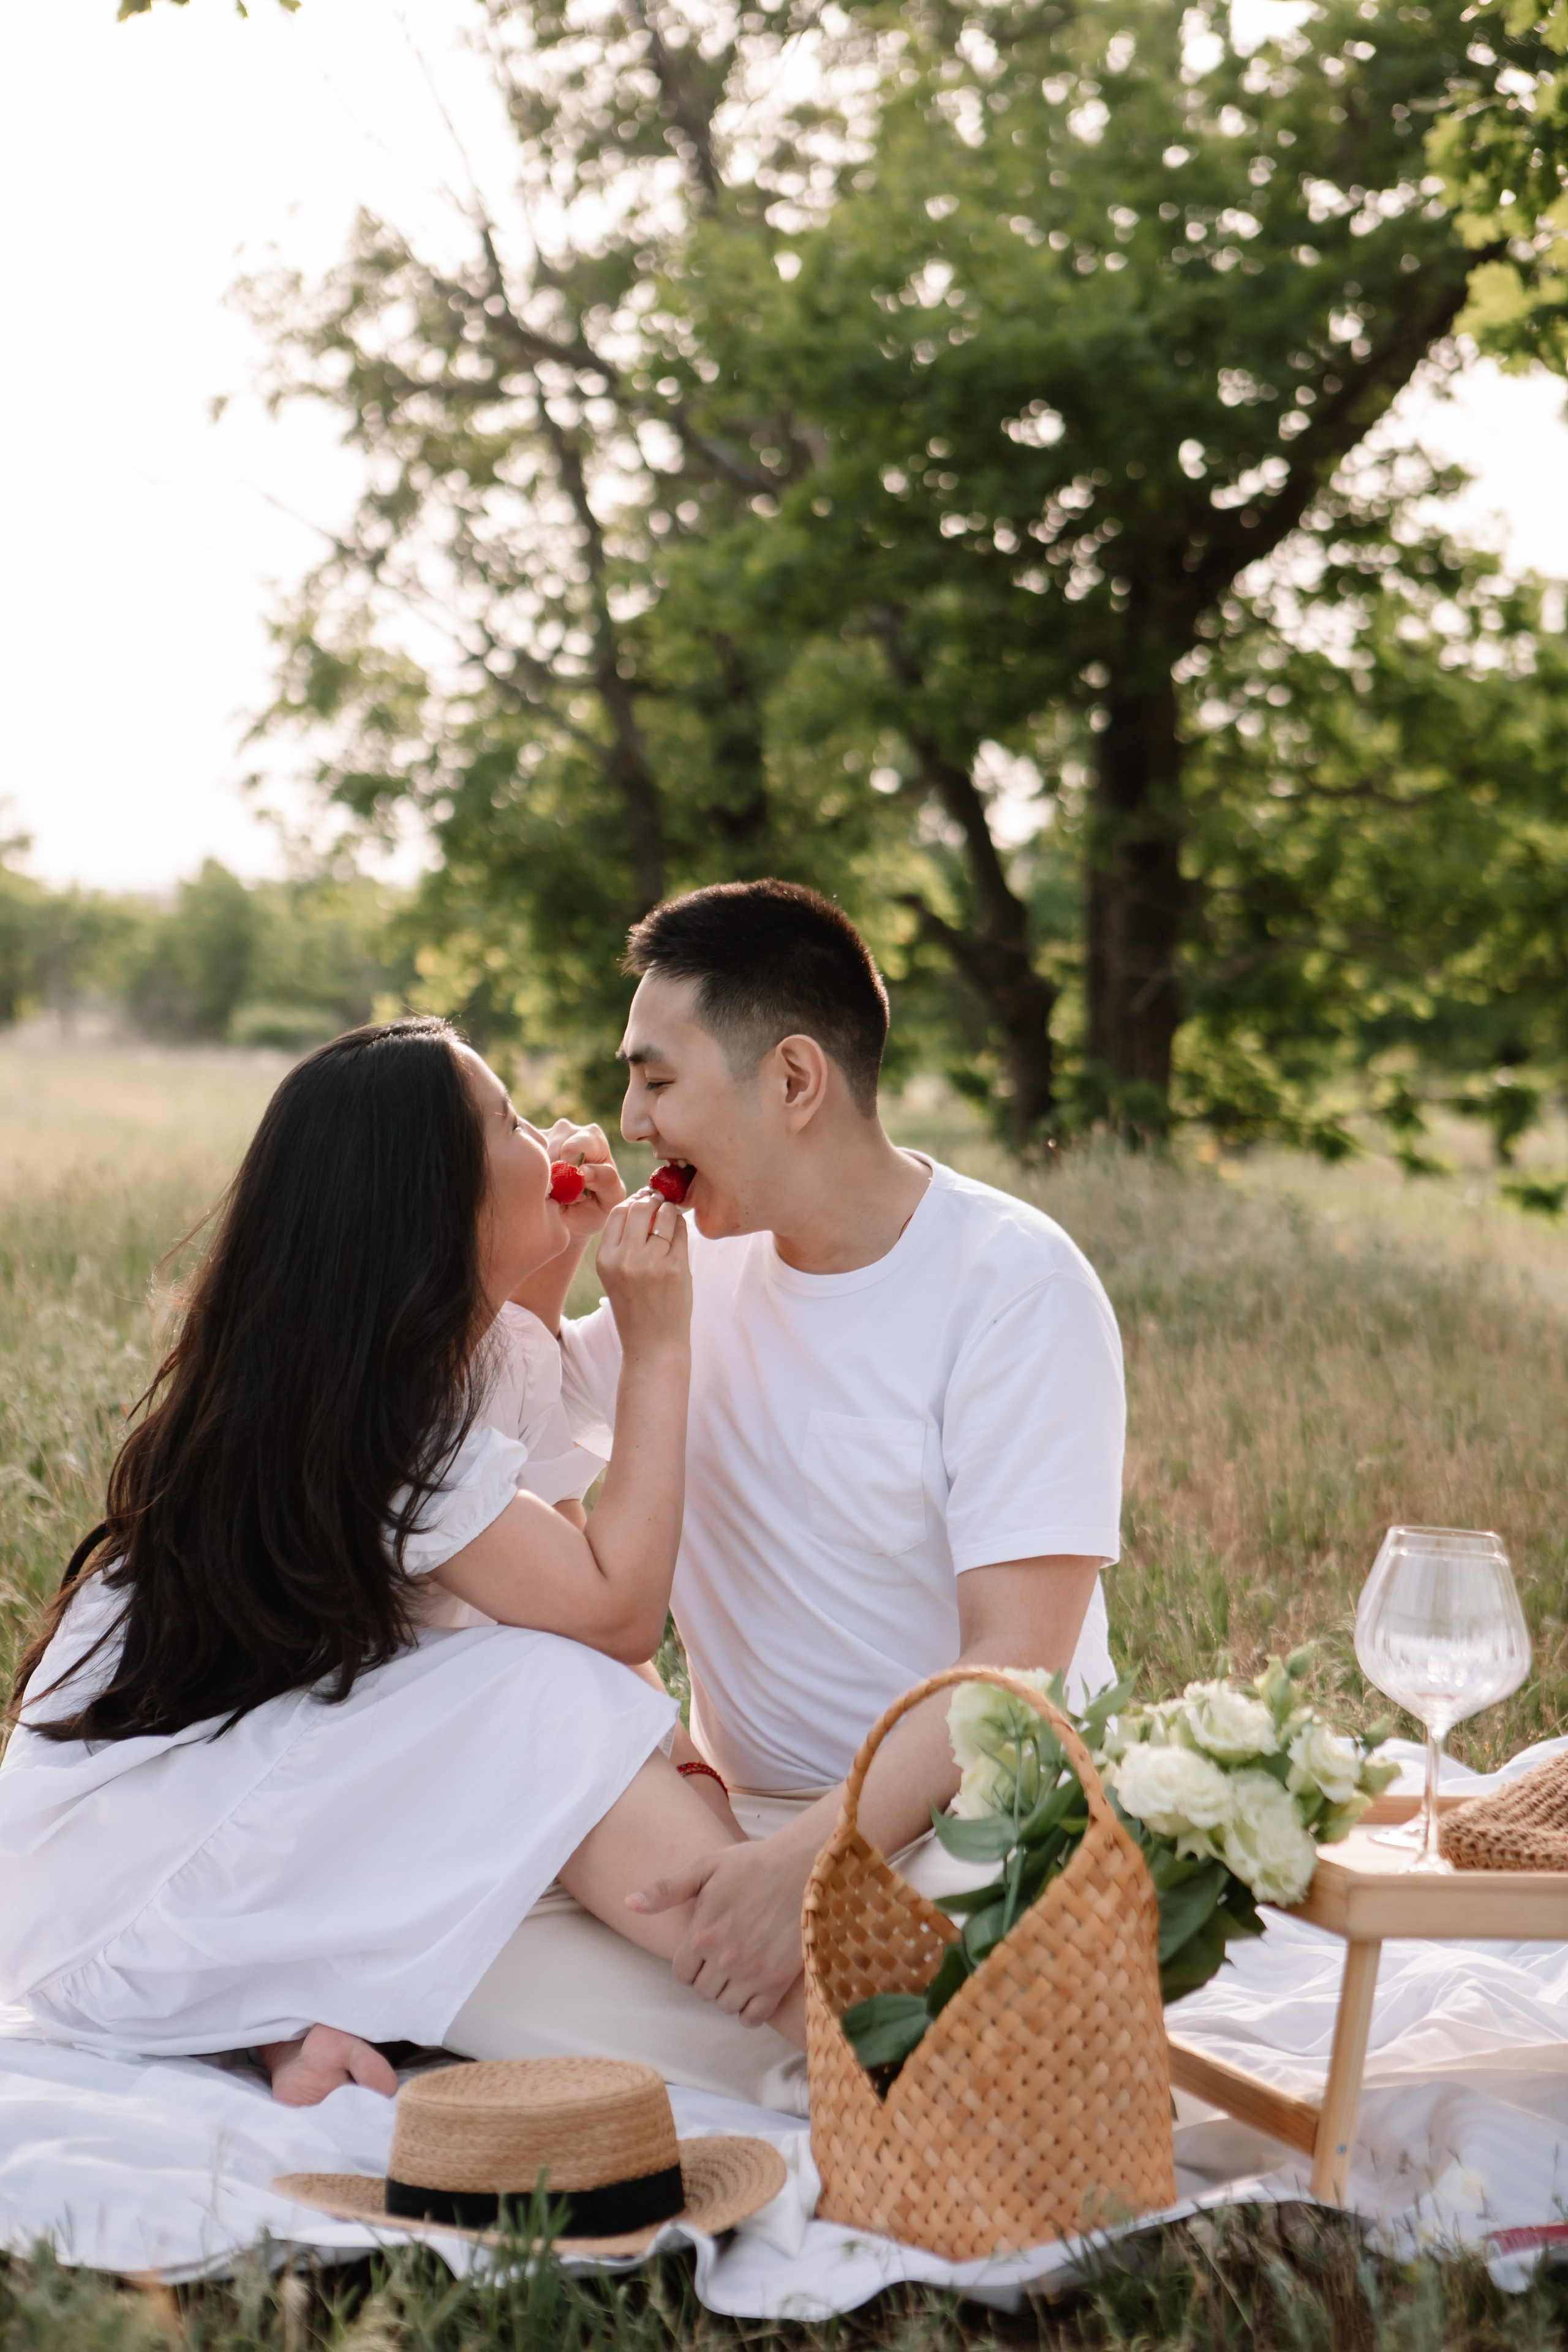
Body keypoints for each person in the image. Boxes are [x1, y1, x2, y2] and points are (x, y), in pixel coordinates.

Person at [0, 1018, 804, 2106]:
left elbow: (546, 1554)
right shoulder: (385, 1427)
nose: (553, 1136)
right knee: (540, 1696)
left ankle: (284, 2021)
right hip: (133, 1871)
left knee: (545, 1690)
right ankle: (830, 2005)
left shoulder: (401, 1372)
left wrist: (544, 1266)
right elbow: (609, 1616)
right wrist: (656, 1343)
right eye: (510, 1122)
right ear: (439, 1205)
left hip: (226, 1800)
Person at [447, 880, 1124, 2084]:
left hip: (969, 1821)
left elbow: (1012, 1672)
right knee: (457, 1946)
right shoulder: (689, 1276)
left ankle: (870, 2047)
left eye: (657, 1080)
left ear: (795, 1082)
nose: (628, 1117)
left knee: (982, 1954)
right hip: (730, 1832)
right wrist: (549, 1269)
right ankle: (858, 2050)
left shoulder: (1013, 1284)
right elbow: (517, 1452)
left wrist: (806, 1869)